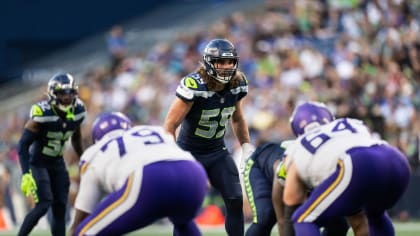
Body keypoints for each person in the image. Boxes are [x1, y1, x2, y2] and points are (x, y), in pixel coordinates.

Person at [164, 38, 255, 236]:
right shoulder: (195, 85)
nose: (225, 66)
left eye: (229, 62)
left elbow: (237, 118)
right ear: (208, 63)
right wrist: (175, 156)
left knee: (235, 199)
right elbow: (170, 125)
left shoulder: (238, 83)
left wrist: (246, 144)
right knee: (185, 207)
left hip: (216, 152)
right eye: (220, 62)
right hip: (189, 153)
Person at [282, 101, 411, 236]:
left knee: (303, 219)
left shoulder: (296, 147)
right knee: (375, 214)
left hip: (357, 164)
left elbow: (292, 199)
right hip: (396, 160)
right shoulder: (349, 123)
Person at [69, 112, 208, 236]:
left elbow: (83, 213)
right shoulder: (153, 130)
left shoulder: (93, 153)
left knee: (84, 232)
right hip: (194, 173)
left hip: (150, 179)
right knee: (182, 220)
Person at [17, 73, 86, 236]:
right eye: (63, 93)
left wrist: (84, 160)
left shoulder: (78, 110)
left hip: (57, 163)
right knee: (43, 204)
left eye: (70, 92)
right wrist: (26, 173)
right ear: (53, 95)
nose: (67, 97)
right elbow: (23, 144)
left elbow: (76, 140)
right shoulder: (42, 113)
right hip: (38, 162)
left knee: (61, 207)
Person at [244, 141, 349, 236]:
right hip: (260, 166)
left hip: (294, 171)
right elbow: (283, 222)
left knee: (339, 224)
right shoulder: (286, 172)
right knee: (266, 217)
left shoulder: (332, 168)